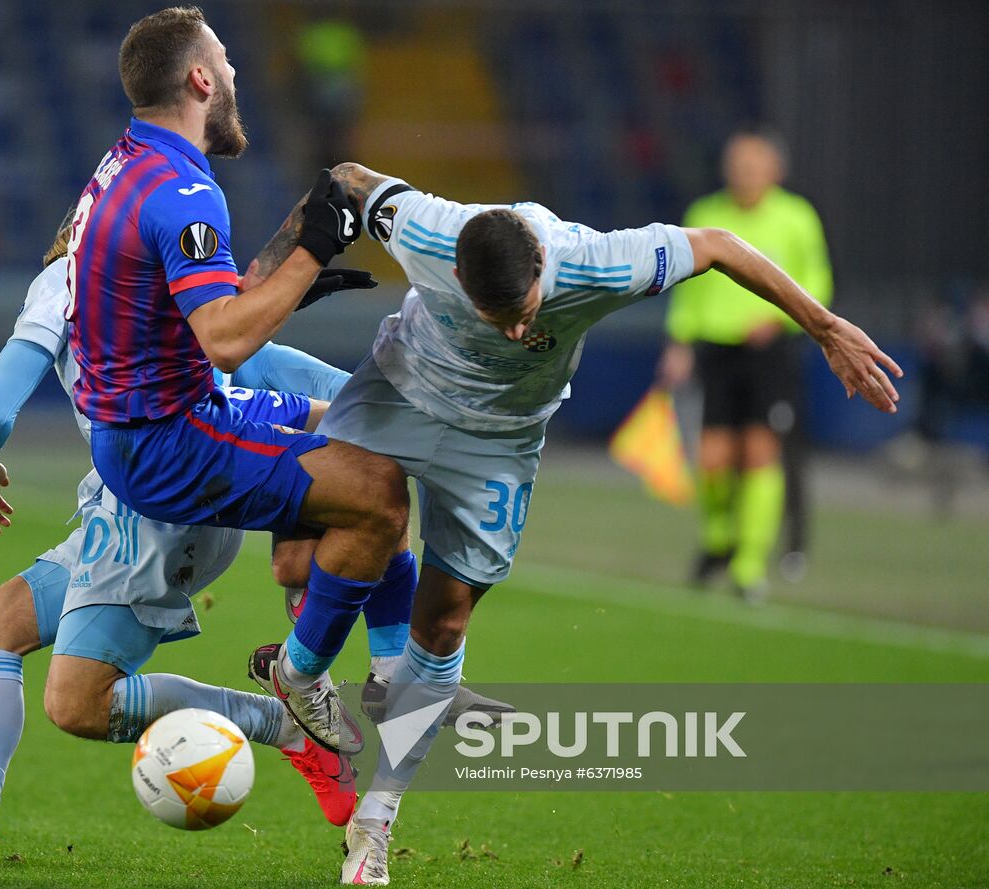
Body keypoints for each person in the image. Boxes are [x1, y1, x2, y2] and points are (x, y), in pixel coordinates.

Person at [245, 162, 900, 885]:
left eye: (528, 309)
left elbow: (716, 244)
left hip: (498, 441)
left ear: (542, 268)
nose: (521, 326)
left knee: (448, 625)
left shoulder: (598, 263)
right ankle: (302, 674)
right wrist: (264, 278)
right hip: (398, 394)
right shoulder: (428, 229)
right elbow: (347, 180)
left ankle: (376, 819)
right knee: (334, 527)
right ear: (454, 272)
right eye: (501, 316)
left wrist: (826, 327)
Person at [0, 233, 376, 870]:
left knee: (76, 704)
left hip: (155, 511)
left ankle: (290, 727)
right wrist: (366, 401)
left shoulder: (66, 282)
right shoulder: (167, 275)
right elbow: (257, 362)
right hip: (150, 495)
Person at [68, 7, 410, 756]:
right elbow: (223, 339)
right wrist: (314, 248)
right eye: (224, 63)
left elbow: (191, 301)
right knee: (380, 492)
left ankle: (331, 606)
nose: (233, 75)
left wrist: (287, 274)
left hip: (147, 423)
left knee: (368, 429)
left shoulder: (126, 163)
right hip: (172, 438)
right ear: (198, 78)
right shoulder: (187, 191)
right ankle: (318, 679)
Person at [657, 129, 833, 598]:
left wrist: (780, 319)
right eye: (736, 165)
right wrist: (679, 343)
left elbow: (817, 281)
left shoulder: (796, 218)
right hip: (716, 349)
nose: (744, 174)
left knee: (760, 452)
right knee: (712, 458)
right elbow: (687, 289)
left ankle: (748, 567)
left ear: (774, 171)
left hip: (770, 352)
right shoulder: (706, 215)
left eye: (753, 166)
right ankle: (720, 539)